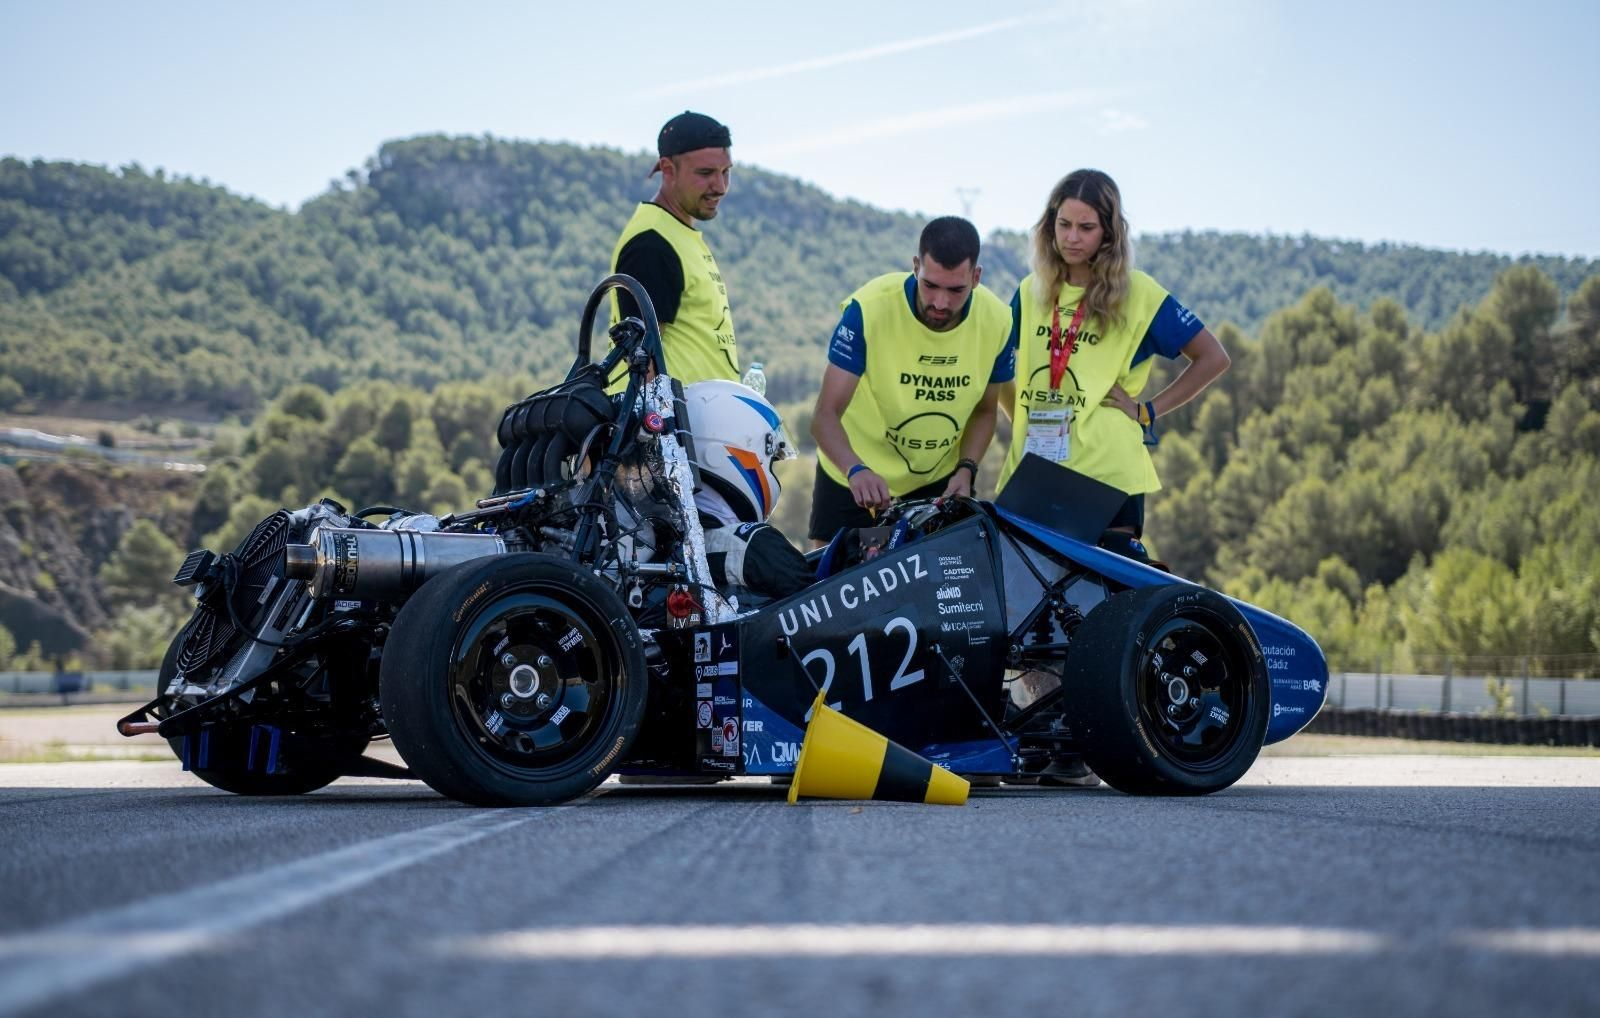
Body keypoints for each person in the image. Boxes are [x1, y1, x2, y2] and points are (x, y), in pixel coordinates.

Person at [999, 168, 1230, 563]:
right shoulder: (1030, 290)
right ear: (1049, 226)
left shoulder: (1139, 293)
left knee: (1104, 597)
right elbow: (999, 365)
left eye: (1086, 227)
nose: (1072, 237)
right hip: (1036, 469)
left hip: (1106, 476)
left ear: (1109, 232)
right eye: (1064, 224)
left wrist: (1147, 411)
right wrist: (1022, 414)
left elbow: (1213, 357)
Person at [808, 216, 1013, 546]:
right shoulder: (869, 308)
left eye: (956, 289)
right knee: (836, 585)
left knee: (937, 592)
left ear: (976, 277)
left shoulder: (998, 320)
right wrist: (855, 469)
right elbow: (824, 417)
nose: (940, 303)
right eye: (930, 285)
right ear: (916, 266)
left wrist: (967, 469)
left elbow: (985, 411)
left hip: (939, 483)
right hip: (856, 478)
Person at [609, 111, 739, 391]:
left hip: (701, 427)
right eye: (705, 173)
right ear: (667, 169)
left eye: (726, 171)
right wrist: (665, 433)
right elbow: (641, 363)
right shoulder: (652, 242)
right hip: (672, 430)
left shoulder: (677, 233)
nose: (720, 186)